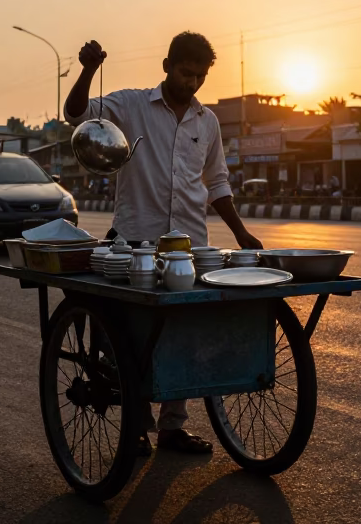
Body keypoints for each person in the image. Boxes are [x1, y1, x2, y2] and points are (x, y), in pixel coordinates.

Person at [65, 32, 262, 456]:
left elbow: (217, 182)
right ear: (167, 65)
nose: (192, 83)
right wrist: (87, 70)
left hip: (188, 244)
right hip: (135, 239)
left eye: (200, 76)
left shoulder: (206, 121)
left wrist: (241, 230)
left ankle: (173, 427)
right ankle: (136, 425)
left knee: (184, 335)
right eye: (186, 73)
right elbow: (76, 114)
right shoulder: (132, 105)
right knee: (136, 339)